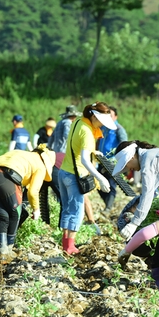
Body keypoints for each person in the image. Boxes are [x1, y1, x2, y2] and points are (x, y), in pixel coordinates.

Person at [0, 146, 56, 263]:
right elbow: (33, 191)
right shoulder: (40, 166)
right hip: (7, 176)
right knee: (15, 214)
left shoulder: (23, 154)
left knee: (1, 215)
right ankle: (9, 250)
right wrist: (36, 209)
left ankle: (2, 252)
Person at [58, 102, 114, 254]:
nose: (102, 125)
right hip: (75, 176)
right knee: (77, 211)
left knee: (67, 209)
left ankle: (65, 243)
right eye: (102, 121)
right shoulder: (88, 132)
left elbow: (76, 145)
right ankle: (70, 246)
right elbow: (84, 159)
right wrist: (100, 177)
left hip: (63, 172)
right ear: (95, 117)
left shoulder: (77, 121)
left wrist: (94, 152)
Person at [97, 105, 128, 216]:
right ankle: (107, 205)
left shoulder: (119, 129)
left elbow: (124, 145)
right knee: (99, 184)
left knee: (111, 184)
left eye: (110, 116)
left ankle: (108, 208)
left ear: (116, 117)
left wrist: (118, 160)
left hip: (112, 162)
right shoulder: (103, 128)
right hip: (101, 160)